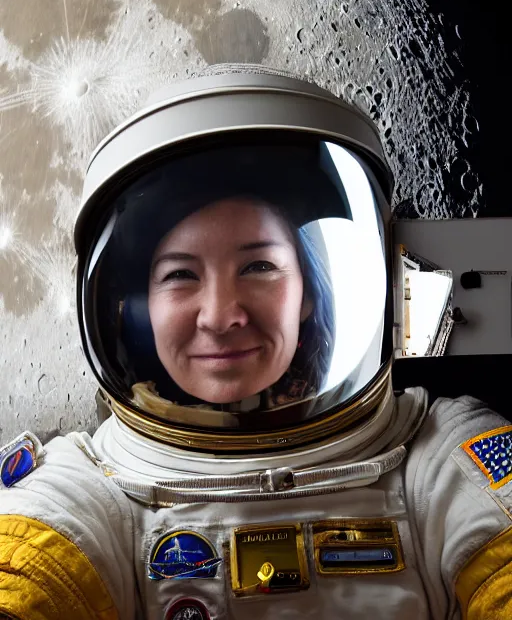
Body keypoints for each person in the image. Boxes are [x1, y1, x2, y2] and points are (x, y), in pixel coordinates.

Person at [1, 67, 511, 620]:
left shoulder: (435, 457)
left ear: (309, 293)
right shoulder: (92, 490)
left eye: (259, 265)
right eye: (179, 275)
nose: (221, 316)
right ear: (137, 308)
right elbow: (31, 566)